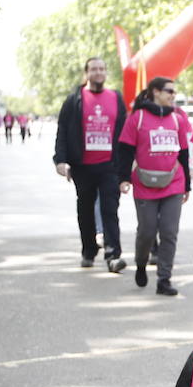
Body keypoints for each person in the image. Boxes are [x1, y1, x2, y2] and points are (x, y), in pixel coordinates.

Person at [115, 77, 191, 296]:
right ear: (155, 92)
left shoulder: (177, 119)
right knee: (147, 231)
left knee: (169, 232)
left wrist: (186, 184)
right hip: (145, 182)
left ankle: (164, 279)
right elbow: (125, 150)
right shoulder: (137, 118)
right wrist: (123, 178)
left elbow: (184, 153)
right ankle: (141, 263)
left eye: (174, 92)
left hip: (173, 183)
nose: (172, 95)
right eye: (169, 91)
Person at [54, 56, 128, 272]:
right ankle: (88, 250)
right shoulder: (74, 100)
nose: (98, 72)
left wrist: (127, 164)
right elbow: (63, 131)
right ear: (86, 73)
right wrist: (60, 160)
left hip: (109, 166)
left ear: (106, 73)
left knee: (109, 210)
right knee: (85, 211)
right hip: (82, 166)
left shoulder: (115, 97)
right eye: (94, 69)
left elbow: (124, 133)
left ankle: (113, 255)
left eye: (102, 69)